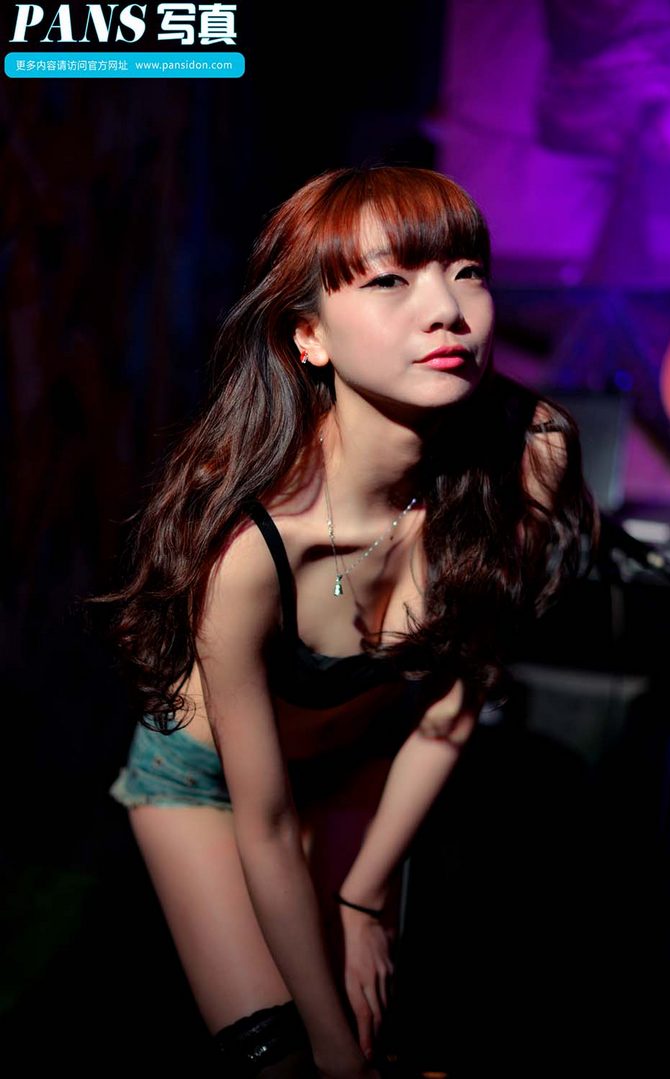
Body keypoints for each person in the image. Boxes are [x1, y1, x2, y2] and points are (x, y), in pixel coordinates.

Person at [100, 164, 596, 1077]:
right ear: (309, 337)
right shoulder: (250, 548)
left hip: (360, 762)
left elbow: (457, 699)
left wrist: (364, 897)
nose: (446, 311)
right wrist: (331, 1050)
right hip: (209, 788)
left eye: (467, 272)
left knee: (383, 1030)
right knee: (289, 1055)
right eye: (390, 280)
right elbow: (264, 823)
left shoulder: (529, 454)